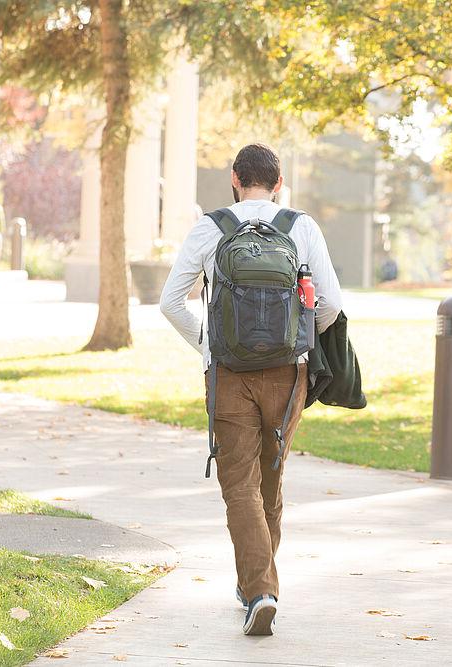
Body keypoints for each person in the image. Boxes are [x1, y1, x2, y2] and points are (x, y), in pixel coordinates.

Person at [160, 143, 343, 636]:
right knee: (272, 476)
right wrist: (298, 342)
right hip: (288, 374)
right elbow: (330, 305)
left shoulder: (211, 227)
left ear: (236, 179)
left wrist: (208, 341)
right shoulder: (300, 227)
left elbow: (170, 301)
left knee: (240, 485)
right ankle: (257, 585)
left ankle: (259, 589)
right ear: (278, 184)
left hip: (228, 373)